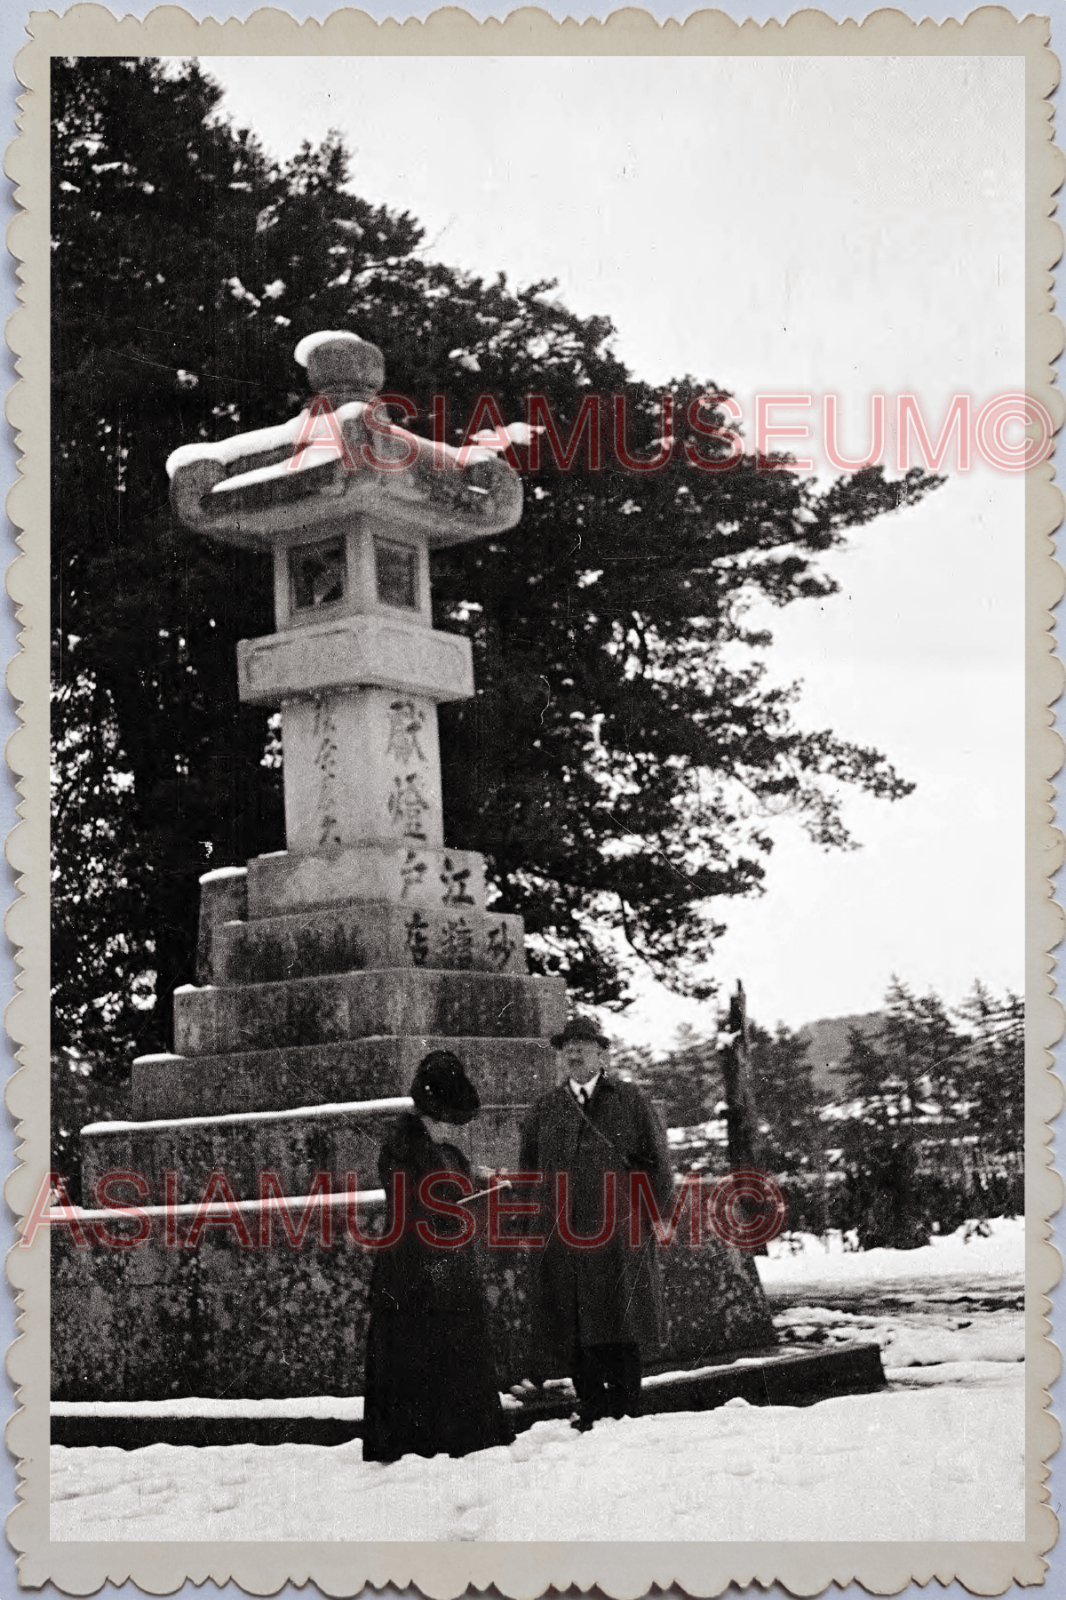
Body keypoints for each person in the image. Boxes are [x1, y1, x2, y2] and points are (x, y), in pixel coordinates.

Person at [517, 1015, 674, 1429]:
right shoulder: (545, 1110)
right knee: (574, 1322)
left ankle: (625, 1405)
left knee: (622, 1319)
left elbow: (657, 1163)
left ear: (601, 1053)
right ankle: (591, 1404)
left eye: (582, 1046)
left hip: (619, 1230)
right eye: (566, 1048)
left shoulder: (629, 1100)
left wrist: (660, 1216)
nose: (573, 1053)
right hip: (563, 1234)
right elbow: (528, 1172)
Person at [362, 1051, 515, 1463]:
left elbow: (451, 1183)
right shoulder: (402, 1147)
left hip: (447, 1265)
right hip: (414, 1268)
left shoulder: (437, 1145)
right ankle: (424, 1440)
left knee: (454, 1350)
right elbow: (411, 1207)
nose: (452, 1128)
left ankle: (461, 1435)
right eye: (446, 1118)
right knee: (419, 1351)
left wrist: (476, 1181)